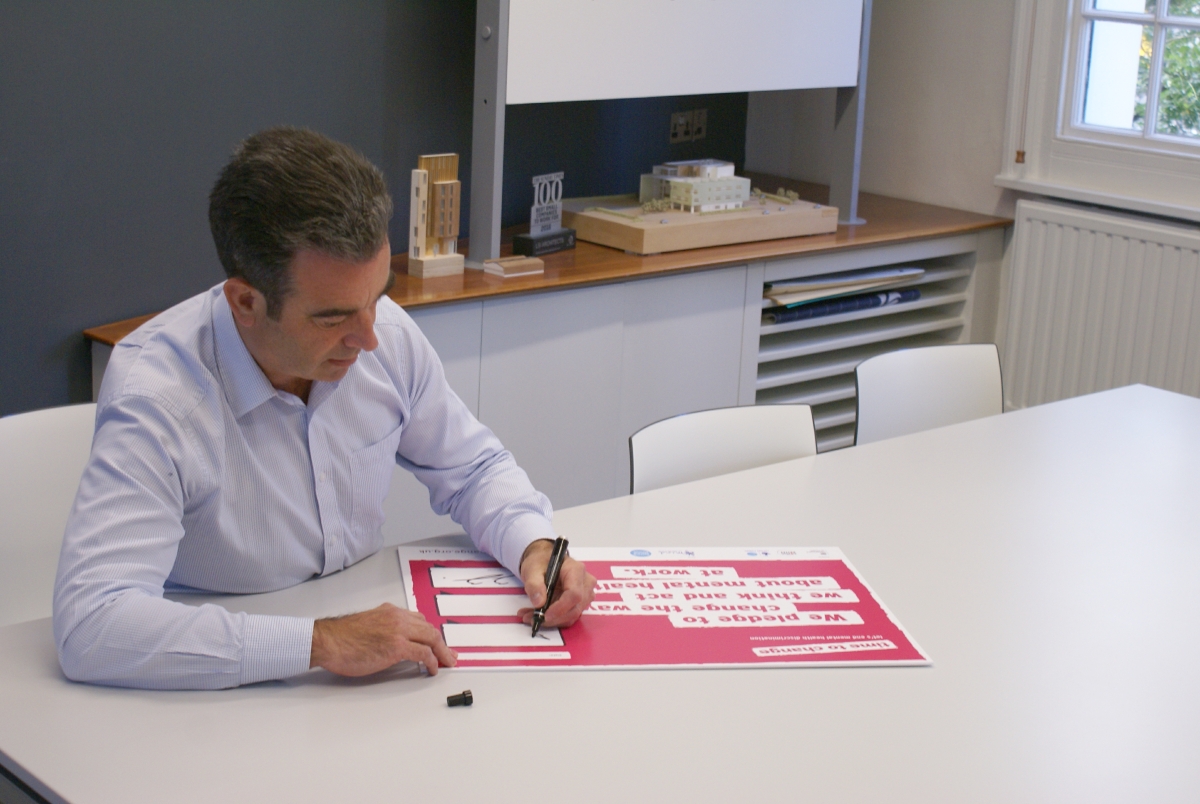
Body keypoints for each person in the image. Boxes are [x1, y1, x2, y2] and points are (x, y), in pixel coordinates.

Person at [53, 127, 596, 690]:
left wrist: (533, 544)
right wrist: (320, 642)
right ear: (246, 302)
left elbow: (474, 469)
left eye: (377, 297)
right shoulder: (157, 396)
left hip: (369, 676)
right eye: (333, 317)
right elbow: (91, 625)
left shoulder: (382, 335)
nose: (369, 339)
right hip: (215, 687)